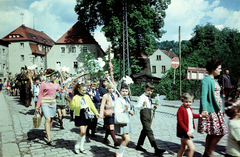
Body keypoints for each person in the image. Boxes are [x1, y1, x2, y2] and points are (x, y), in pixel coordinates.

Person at [198, 59, 228, 157]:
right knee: (220, 132)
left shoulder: (213, 80)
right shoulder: (206, 80)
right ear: (213, 68)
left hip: (217, 110)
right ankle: (209, 152)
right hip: (211, 111)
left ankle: (206, 153)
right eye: (219, 68)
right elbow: (203, 96)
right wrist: (204, 109)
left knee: (212, 133)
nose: (220, 70)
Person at [135, 82, 165, 156]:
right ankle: (156, 148)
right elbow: (137, 107)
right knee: (149, 131)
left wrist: (153, 107)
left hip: (149, 115)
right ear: (145, 89)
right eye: (148, 90)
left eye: (151, 91)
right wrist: (142, 105)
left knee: (144, 131)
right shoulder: (141, 97)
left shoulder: (149, 97)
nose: (150, 92)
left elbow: (149, 106)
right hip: (144, 115)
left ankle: (139, 145)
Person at [69, 83, 100, 154]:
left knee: (84, 133)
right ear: (78, 89)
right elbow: (72, 107)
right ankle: (77, 145)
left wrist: (96, 113)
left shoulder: (87, 96)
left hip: (87, 114)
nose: (84, 91)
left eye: (85, 90)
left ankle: (81, 147)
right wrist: (70, 102)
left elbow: (92, 105)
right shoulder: (75, 97)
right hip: (79, 115)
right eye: (83, 90)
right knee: (82, 132)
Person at [36, 69, 60, 145]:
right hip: (45, 102)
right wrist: (38, 106)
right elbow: (40, 94)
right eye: (54, 75)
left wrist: (67, 88)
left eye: (55, 76)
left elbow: (61, 90)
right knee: (47, 118)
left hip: (53, 103)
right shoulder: (43, 83)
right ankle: (49, 138)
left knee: (51, 119)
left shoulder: (56, 84)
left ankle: (47, 132)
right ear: (49, 76)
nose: (55, 77)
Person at [177, 93, 202, 157]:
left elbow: (191, 115)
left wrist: (200, 115)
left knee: (183, 148)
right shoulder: (181, 109)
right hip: (184, 132)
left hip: (187, 131)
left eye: (190, 102)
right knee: (192, 148)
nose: (188, 103)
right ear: (182, 101)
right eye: (186, 102)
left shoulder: (189, 108)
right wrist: (187, 131)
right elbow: (180, 121)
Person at [114, 83, 134, 157]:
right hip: (122, 120)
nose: (124, 93)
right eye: (123, 91)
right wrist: (124, 108)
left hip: (126, 119)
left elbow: (128, 108)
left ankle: (120, 153)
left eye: (126, 91)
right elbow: (116, 111)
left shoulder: (127, 99)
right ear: (120, 91)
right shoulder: (118, 100)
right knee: (127, 139)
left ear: (128, 91)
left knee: (123, 138)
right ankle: (119, 153)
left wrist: (130, 111)